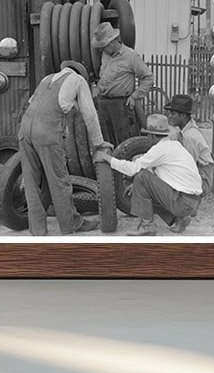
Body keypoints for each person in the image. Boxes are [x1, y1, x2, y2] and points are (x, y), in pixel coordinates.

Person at [18, 59, 111, 236]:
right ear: (80, 74)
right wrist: (98, 142)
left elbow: (35, 105)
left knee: (31, 183)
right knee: (59, 181)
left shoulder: (47, 79)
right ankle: (71, 224)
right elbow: (90, 114)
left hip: (24, 129)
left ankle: (38, 231)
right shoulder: (78, 81)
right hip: (46, 133)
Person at [109, 113, 203, 236]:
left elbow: (133, 169)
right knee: (144, 186)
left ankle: (147, 225)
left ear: (151, 135)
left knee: (141, 176)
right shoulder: (174, 145)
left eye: (148, 134)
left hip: (182, 202)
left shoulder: (159, 149)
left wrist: (109, 159)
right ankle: (179, 219)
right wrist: (137, 188)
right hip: (192, 202)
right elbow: (163, 176)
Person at [92, 21, 153, 146]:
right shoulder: (105, 55)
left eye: (105, 45)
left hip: (121, 106)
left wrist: (134, 96)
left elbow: (148, 78)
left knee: (124, 143)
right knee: (106, 142)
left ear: (114, 41)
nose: (103, 48)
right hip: (103, 105)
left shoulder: (131, 56)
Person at [164, 93, 214, 194]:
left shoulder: (190, 137)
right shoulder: (184, 130)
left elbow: (188, 167)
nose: (169, 116)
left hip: (202, 181)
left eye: (173, 114)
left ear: (182, 116)